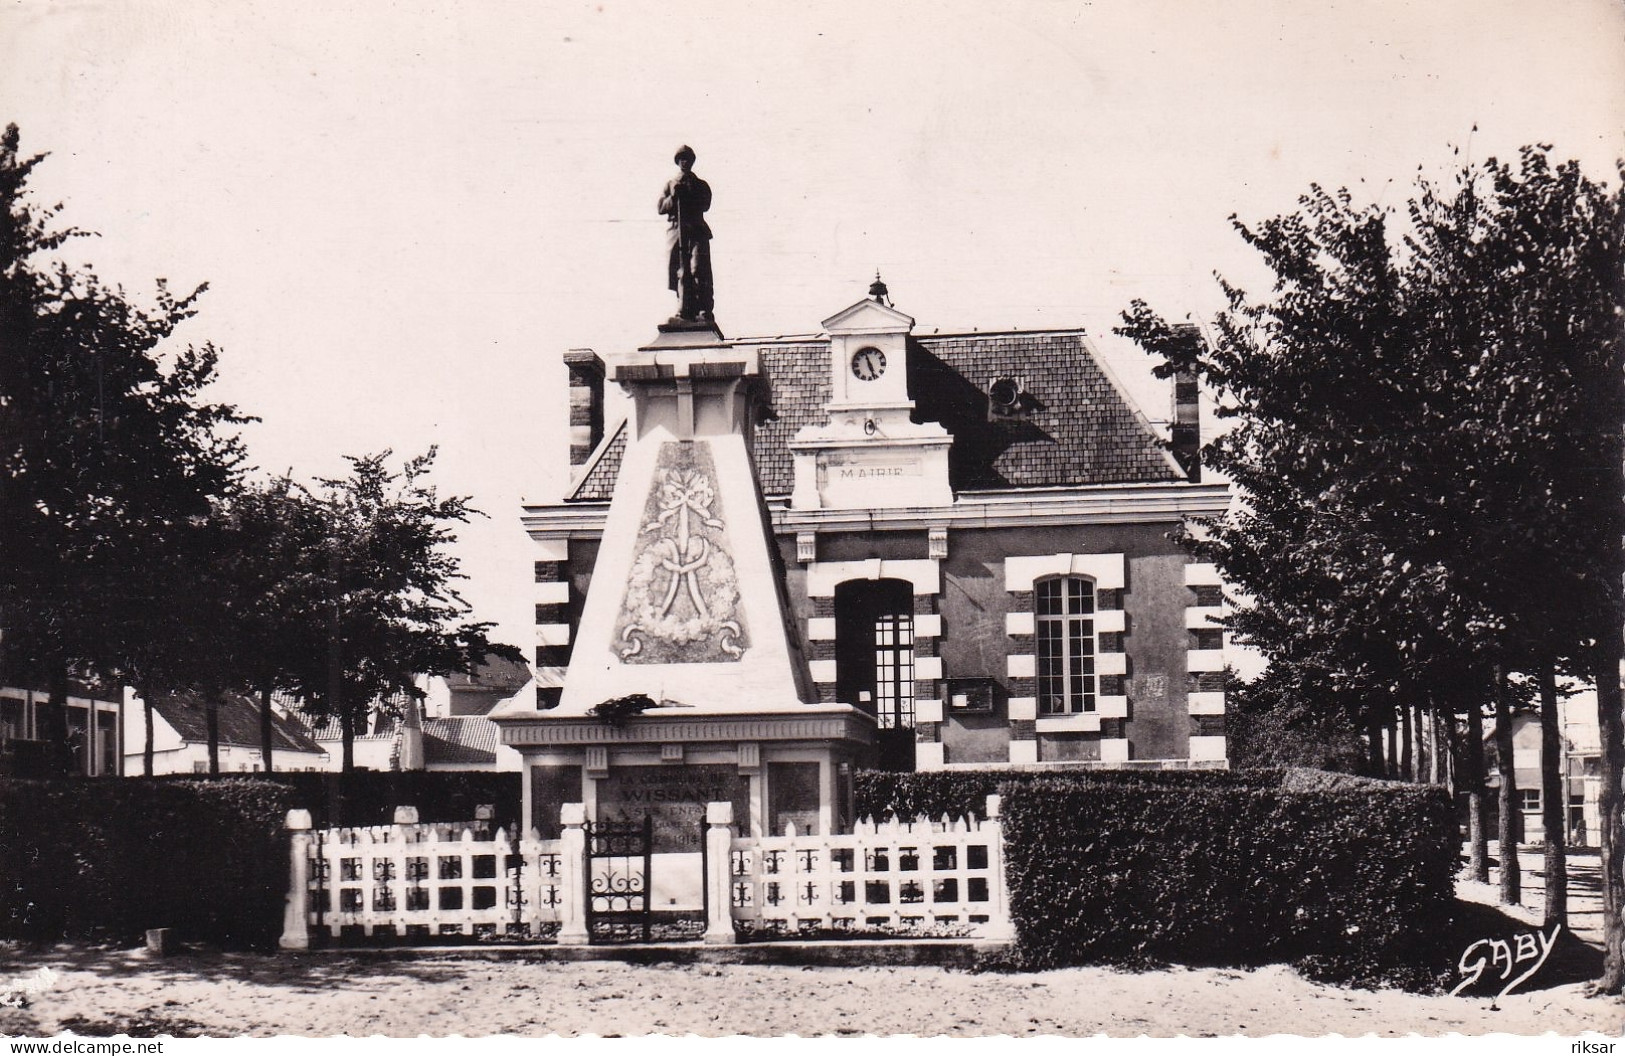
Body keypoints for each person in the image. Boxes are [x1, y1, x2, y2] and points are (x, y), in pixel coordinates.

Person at [658, 145, 713, 322]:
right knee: (681, 271)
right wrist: (673, 197)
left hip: (696, 231)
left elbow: (706, 204)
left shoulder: (701, 184)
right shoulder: (671, 184)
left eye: (687, 158)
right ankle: (683, 309)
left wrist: (690, 192)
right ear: (678, 162)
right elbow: (660, 207)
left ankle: (703, 308)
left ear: (691, 161)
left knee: (698, 268)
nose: (684, 162)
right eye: (681, 159)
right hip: (677, 231)